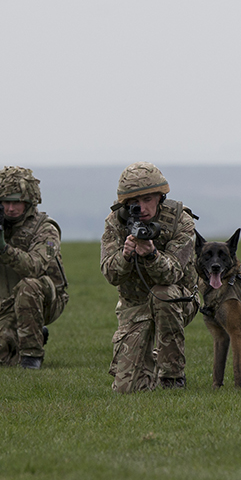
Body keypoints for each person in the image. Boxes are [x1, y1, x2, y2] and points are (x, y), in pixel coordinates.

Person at [101, 162, 199, 392]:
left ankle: (172, 377)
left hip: (178, 301)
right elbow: (110, 274)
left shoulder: (180, 221)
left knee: (162, 293)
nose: (142, 208)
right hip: (135, 306)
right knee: (128, 389)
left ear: (160, 197)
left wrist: (152, 255)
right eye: (134, 202)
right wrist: (125, 257)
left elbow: (174, 272)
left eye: (147, 199)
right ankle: (151, 365)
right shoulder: (115, 223)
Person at [0, 166, 68, 369]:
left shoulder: (46, 230)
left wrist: (4, 250)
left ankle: (32, 356)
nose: (10, 208)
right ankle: (29, 335)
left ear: (28, 202)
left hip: (46, 300)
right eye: (5, 202)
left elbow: (35, 267)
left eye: (16, 202)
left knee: (28, 286)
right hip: (7, 303)